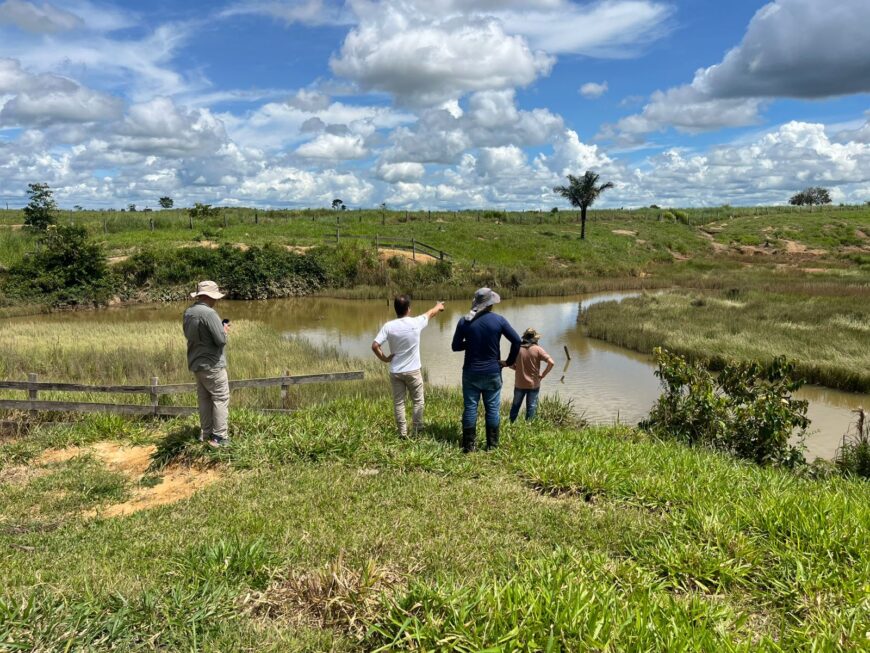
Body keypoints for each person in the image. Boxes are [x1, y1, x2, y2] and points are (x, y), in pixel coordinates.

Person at [451, 287, 521, 452]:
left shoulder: (464, 321)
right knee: (492, 408)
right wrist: (508, 362)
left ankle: (469, 446)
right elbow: (517, 341)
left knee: (470, 407)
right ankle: (492, 446)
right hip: (492, 372)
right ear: (491, 304)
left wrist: (470, 342)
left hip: (470, 372)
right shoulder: (499, 320)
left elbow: (455, 346)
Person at [372, 295, 445, 437]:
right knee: (418, 401)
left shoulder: (388, 326)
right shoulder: (415, 323)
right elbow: (431, 313)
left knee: (399, 403)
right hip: (413, 371)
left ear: (396, 310)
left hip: (396, 372)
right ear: (409, 309)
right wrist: (439, 306)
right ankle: (417, 431)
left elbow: (375, 346)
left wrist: (385, 358)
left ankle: (402, 433)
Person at [183, 280, 230, 447]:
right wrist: (224, 330)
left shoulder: (189, 312)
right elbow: (220, 340)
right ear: (211, 297)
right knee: (220, 397)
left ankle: (206, 433)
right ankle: (219, 438)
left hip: (196, 362)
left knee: (204, 399)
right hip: (212, 364)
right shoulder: (209, 313)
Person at [509, 328, 555, 423]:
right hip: (533, 384)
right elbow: (551, 363)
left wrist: (518, 369)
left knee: (515, 405)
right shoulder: (538, 349)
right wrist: (543, 375)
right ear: (534, 339)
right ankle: (528, 427)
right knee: (531, 407)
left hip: (519, 384)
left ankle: (511, 424)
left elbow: (509, 364)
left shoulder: (517, 348)